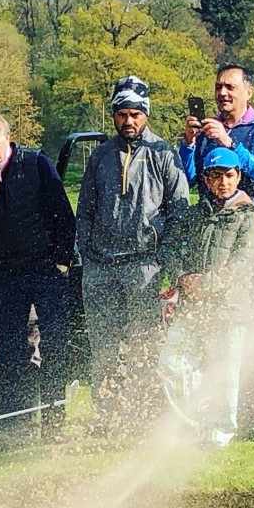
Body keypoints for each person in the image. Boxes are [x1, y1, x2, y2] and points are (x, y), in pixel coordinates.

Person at [74, 77, 190, 421]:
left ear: (146, 115)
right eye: (122, 114)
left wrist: (167, 262)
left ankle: (142, 418)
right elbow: (85, 211)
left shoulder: (164, 154)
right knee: (104, 350)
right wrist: (86, 258)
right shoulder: (99, 156)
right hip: (101, 268)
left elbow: (179, 213)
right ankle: (108, 418)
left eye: (135, 114)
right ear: (113, 115)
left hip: (145, 268)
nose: (129, 121)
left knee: (144, 346)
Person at [0, 110, 76, 445]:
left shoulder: (36, 163)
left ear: (6, 137)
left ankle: (55, 423)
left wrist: (61, 262)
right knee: (10, 353)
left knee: (53, 348)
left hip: (45, 271)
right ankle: (18, 426)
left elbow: (62, 215)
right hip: (4, 275)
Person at [167, 146, 254, 446]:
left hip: (229, 310)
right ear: (206, 181)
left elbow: (241, 265)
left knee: (225, 375)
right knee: (172, 362)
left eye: (229, 175)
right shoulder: (195, 215)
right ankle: (192, 425)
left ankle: (220, 435)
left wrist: (204, 284)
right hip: (192, 308)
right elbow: (173, 248)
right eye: (215, 176)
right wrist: (182, 277)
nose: (223, 182)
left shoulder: (248, 219)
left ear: (238, 177)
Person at [180, 62, 254, 207]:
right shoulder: (207, 129)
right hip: (208, 222)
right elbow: (188, 180)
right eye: (218, 87)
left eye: (230, 87)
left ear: (249, 93)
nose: (222, 93)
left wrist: (230, 143)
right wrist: (189, 143)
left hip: (252, 221)